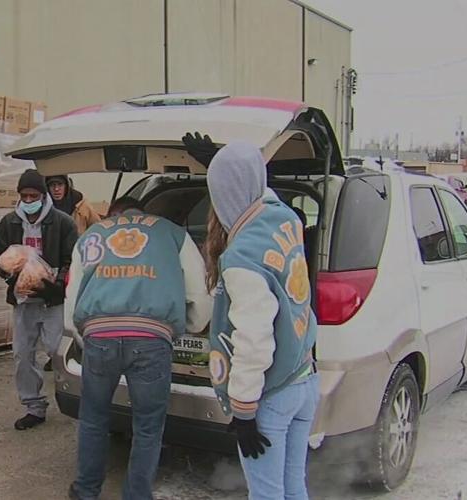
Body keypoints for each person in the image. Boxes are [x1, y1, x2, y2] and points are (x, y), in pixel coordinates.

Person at [65, 196, 211, 500]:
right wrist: (190, 326)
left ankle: (85, 491)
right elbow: (199, 289)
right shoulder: (172, 233)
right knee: (147, 427)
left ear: (115, 214)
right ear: (141, 213)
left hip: (99, 338)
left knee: (93, 419)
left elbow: (72, 296)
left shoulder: (93, 235)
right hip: (151, 340)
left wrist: (84, 337)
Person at [202, 141, 319, 500]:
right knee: (294, 487)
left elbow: (254, 339)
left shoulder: (241, 258)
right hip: (305, 380)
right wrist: (230, 164)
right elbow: (258, 187)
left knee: (266, 495)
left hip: (271, 393)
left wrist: (244, 410)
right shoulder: (285, 218)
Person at [0, 169, 78, 430]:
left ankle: (77, 398)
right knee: (23, 354)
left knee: (57, 350)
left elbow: (72, 261)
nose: (29, 200)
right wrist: (14, 277)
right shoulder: (9, 223)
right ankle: (34, 406)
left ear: (44, 195)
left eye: (34, 195)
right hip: (23, 301)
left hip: (52, 302)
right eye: (24, 196)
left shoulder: (62, 223)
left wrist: (55, 284)